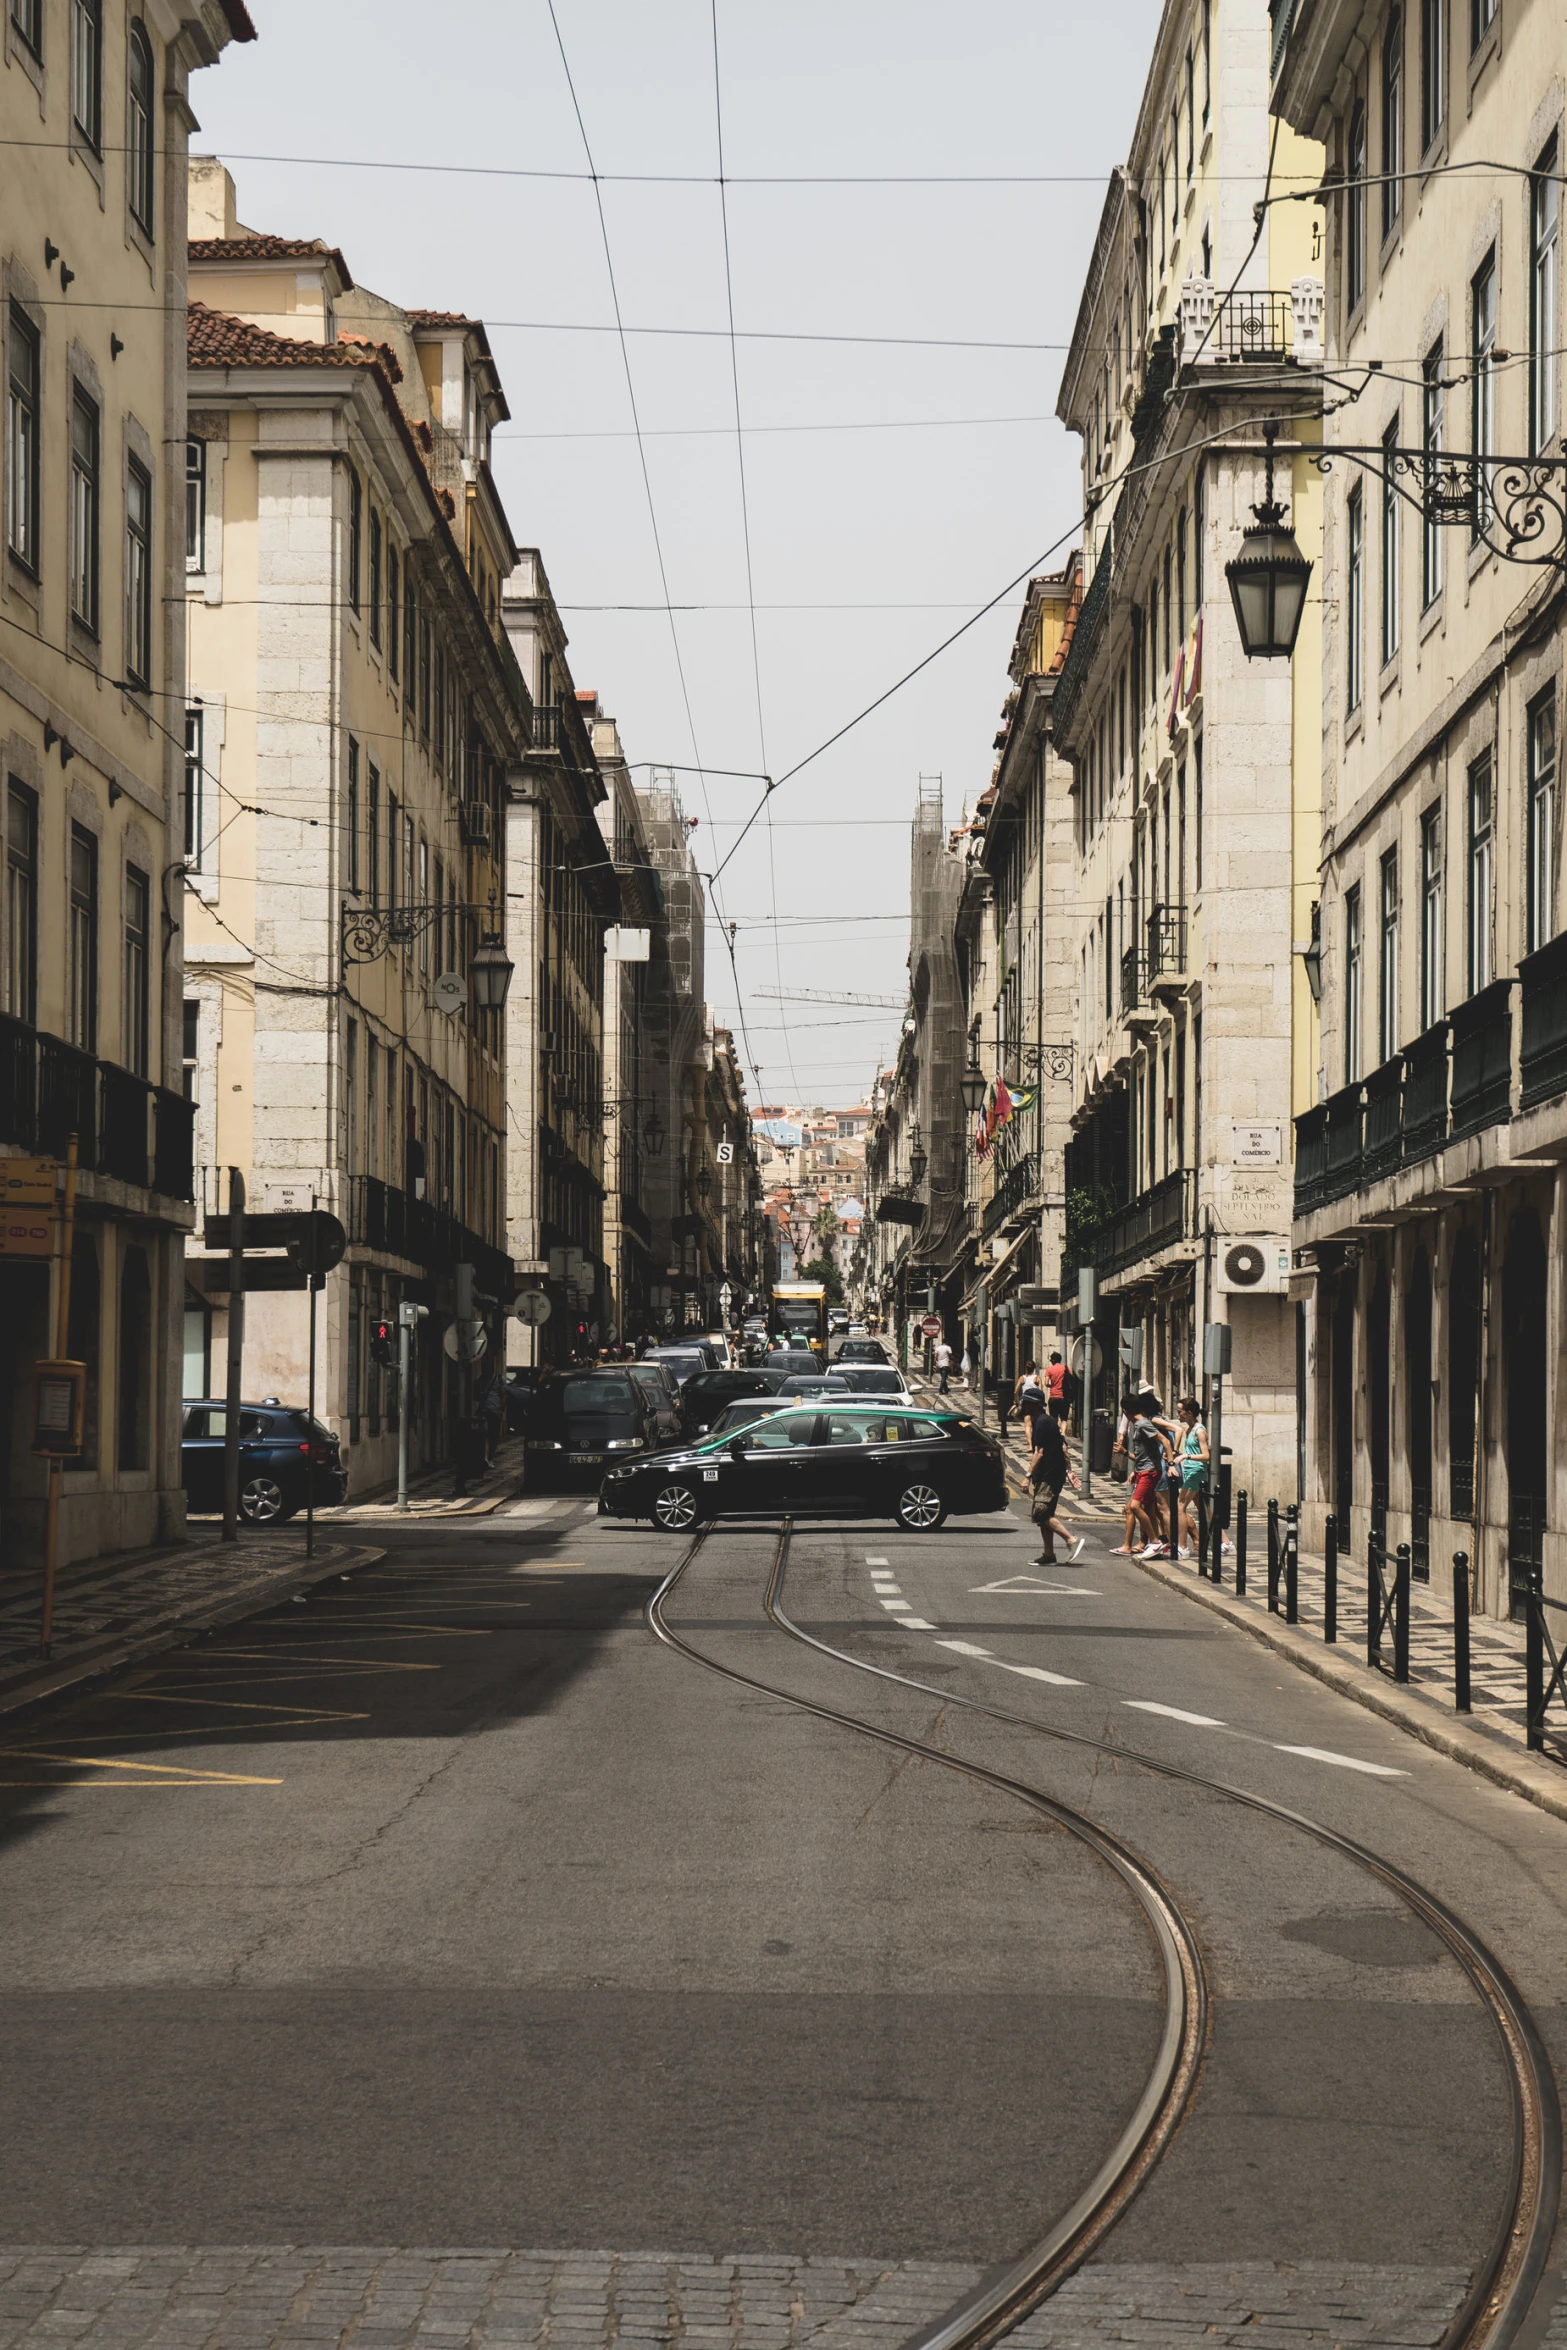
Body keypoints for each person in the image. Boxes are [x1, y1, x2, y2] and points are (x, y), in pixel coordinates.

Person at [1115, 1390, 1172, 1555]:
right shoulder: (1139, 1424)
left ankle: (1155, 1542)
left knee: (1134, 1506)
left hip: (1150, 1472)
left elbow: (1165, 1441)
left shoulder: (1143, 1424)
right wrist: (1126, 1454)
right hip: (1143, 1470)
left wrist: (1171, 1464)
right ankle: (1150, 1543)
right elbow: (1145, 1453)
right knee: (1147, 1509)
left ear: (1125, 1411)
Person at [1028, 1407, 1084, 1565]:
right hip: (1051, 1475)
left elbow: (1039, 1452)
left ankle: (1071, 1539)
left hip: (1049, 1477)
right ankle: (1049, 1554)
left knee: (1041, 1513)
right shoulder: (1047, 1421)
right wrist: (1069, 1471)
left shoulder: (1041, 1422)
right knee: (1045, 1514)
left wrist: (1027, 1476)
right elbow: (1063, 1447)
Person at [1174, 1397, 1209, 1558]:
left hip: (1196, 1472)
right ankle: (1226, 1543)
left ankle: (1182, 1547)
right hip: (1190, 1471)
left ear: (1189, 1413)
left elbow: (1206, 1455)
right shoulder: (1189, 1429)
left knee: (1180, 1507)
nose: (1177, 1414)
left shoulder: (1200, 1431)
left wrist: (1185, 1456)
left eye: (1180, 1411)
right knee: (1204, 1509)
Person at [1045, 1352, 1069, 1422]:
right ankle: (1064, 1432)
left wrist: (1052, 1385)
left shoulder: (1049, 1369)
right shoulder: (1066, 1368)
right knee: (1064, 1419)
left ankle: (1055, 1432)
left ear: (1053, 1360)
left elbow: (1046, 1383)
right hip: (1064, 1397)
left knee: (1053, 1417)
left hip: (1053, 1396)